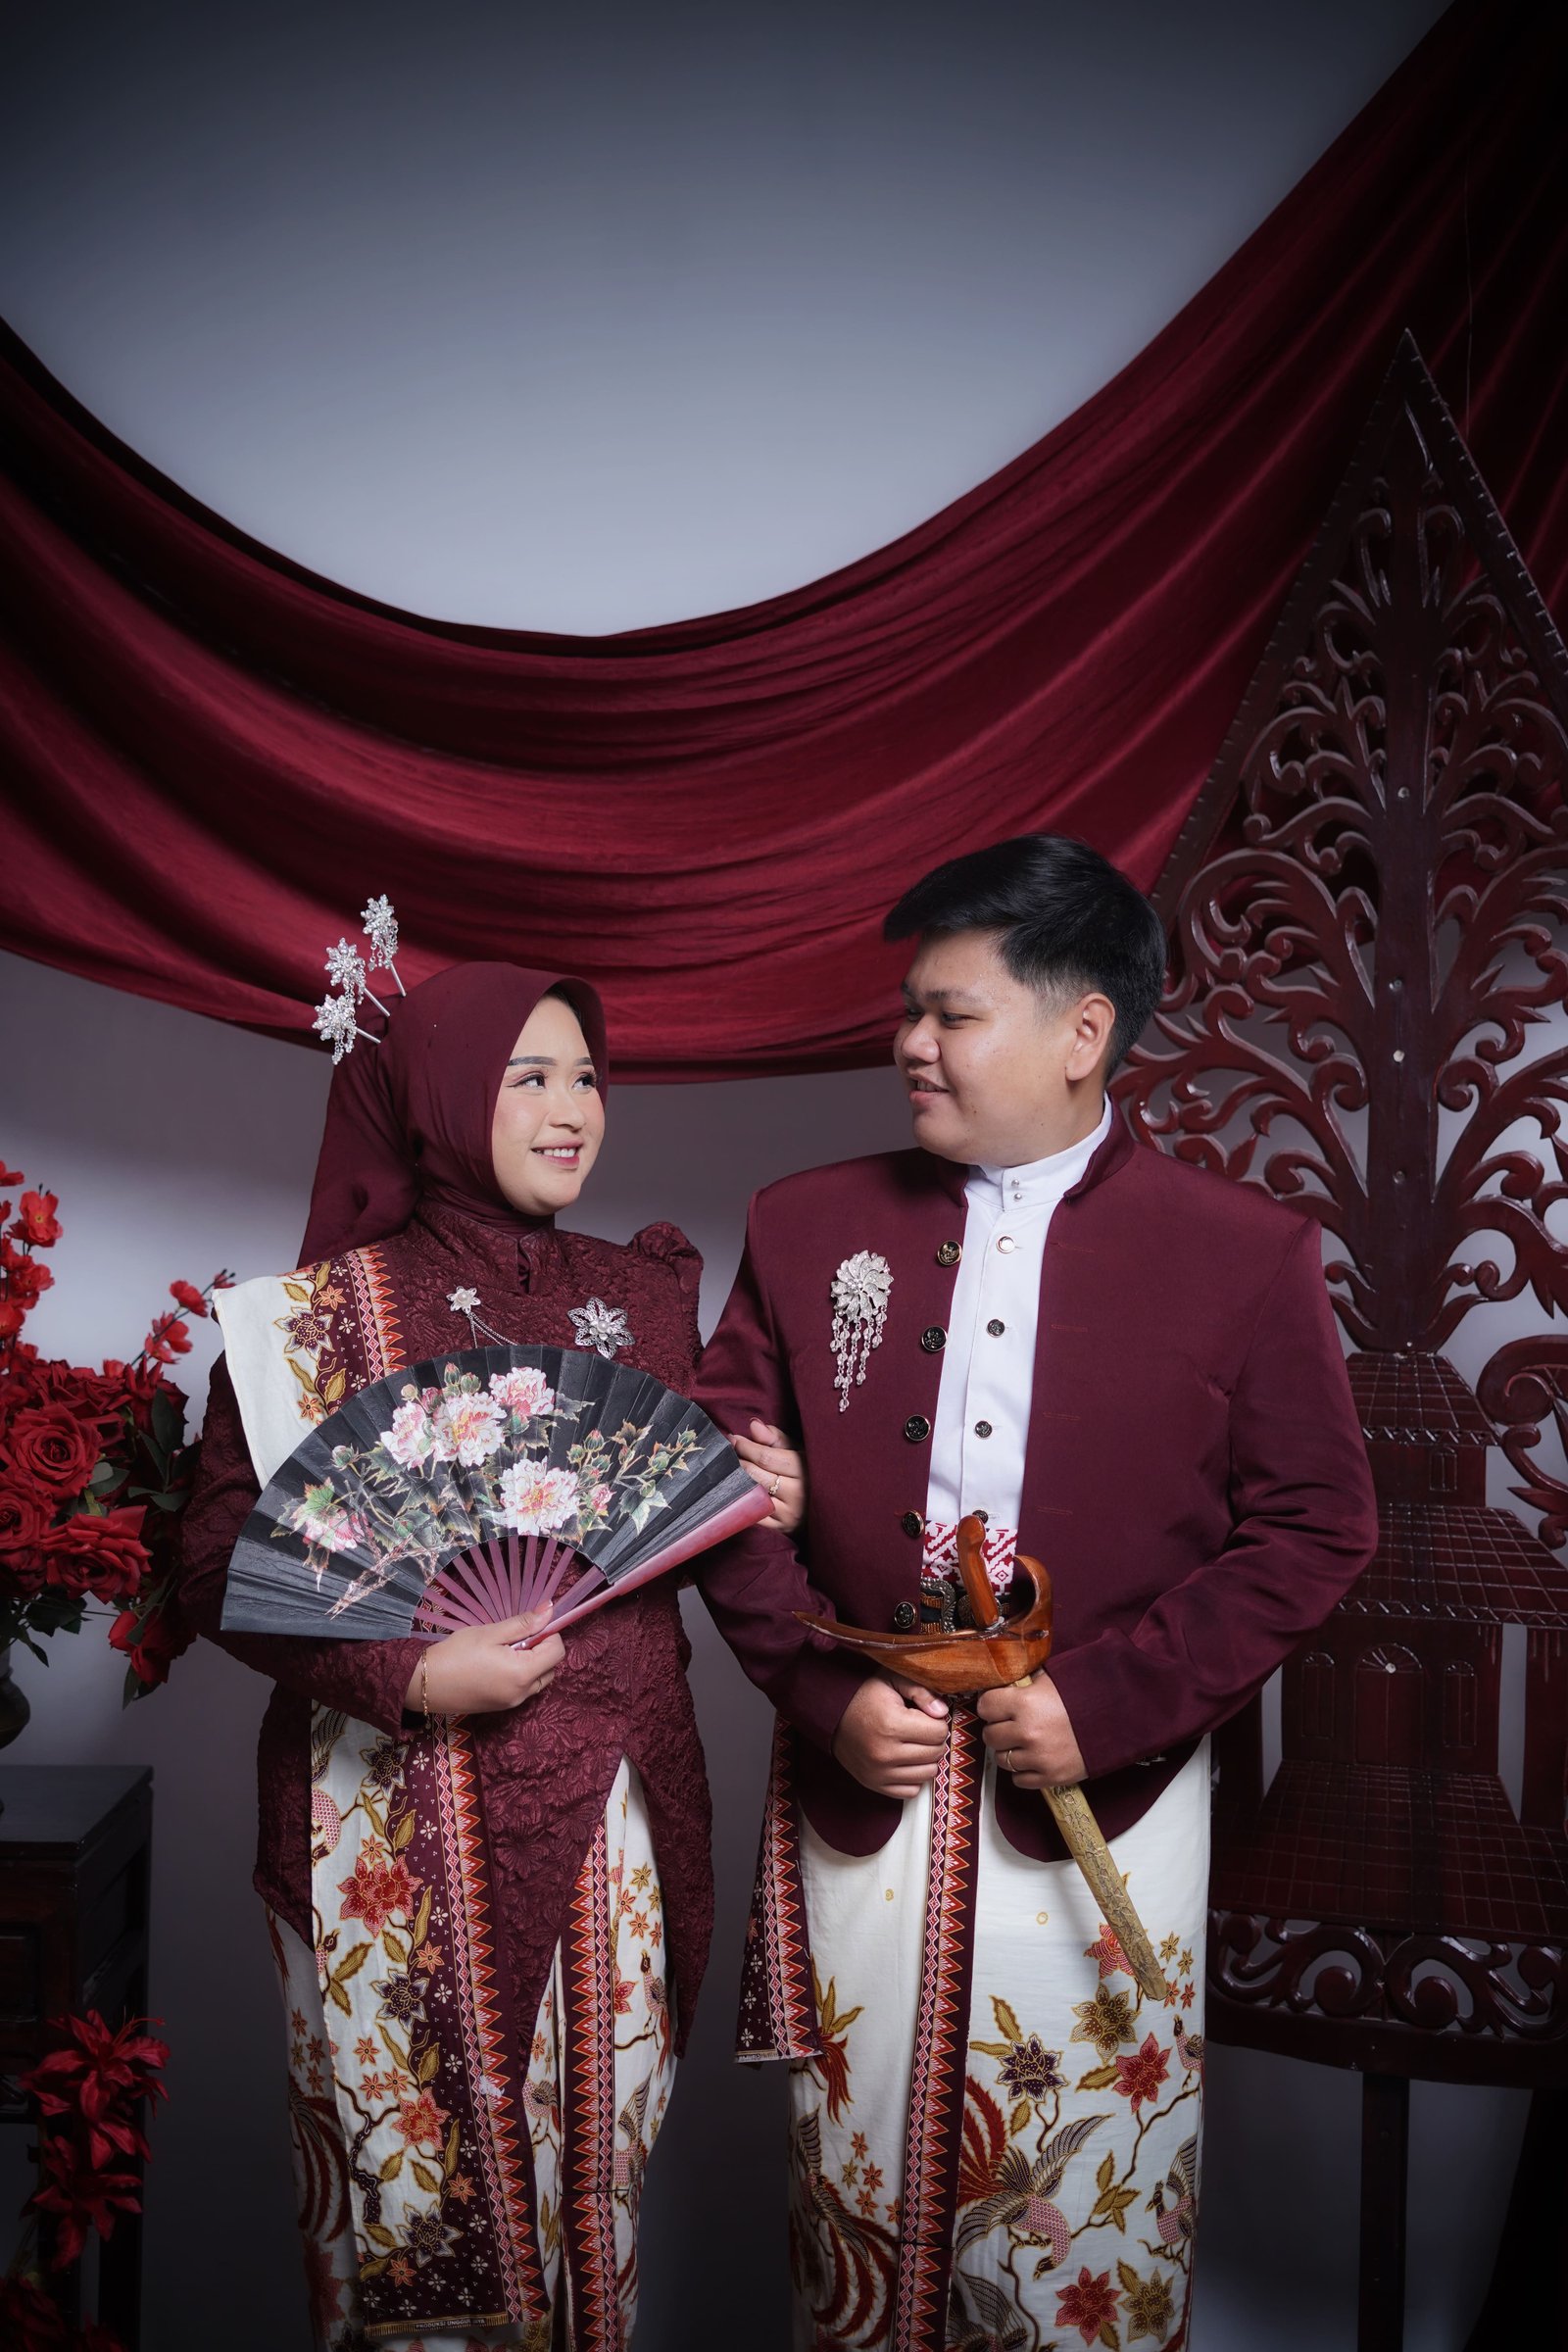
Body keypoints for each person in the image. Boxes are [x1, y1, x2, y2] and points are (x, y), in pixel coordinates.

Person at [696, 834, 1377, 2351]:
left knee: (1081, 2231)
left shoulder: (1247, 1254)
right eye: (909, 1010)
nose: (910, 1043)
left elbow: (1320, 1524)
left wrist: (1111, 1704)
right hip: (864, 1776)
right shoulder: (803, 1225)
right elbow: (714, 1497)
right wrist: (821, 1690)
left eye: (953, 1014)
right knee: (856, 2207)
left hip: (1106, 1788)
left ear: (1084, 1032)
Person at [179, 958, 802, 2352]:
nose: (572, 1109)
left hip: (617, 1803)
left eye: (586, 1076)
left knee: (597, 2197)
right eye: (527, 1078)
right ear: (443, 1098)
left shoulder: (646, 1296)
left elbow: (690, 1520)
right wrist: (407, 1674)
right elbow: (219, 1565)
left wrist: (777, 1495)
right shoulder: (313, 1323)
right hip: (387, 1813)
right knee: (413, 2223)